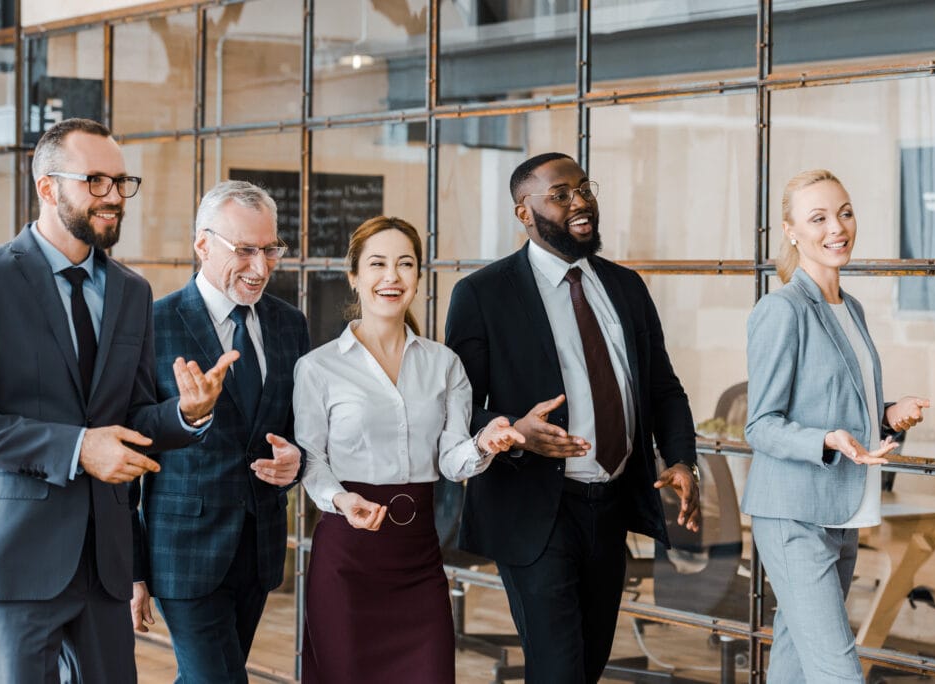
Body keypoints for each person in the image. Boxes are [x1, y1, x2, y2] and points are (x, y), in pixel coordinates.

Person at [0, 117, 234, 683]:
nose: (113, 197)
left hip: (105, 564)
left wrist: (187, 414)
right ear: (47, 187)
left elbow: (132, 417)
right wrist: (77, 449)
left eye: (122, 182)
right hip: (15, 561)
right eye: (95, 181)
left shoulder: (131, 290)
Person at [445, 152, 701, 683]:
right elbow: (459, 406)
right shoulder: (482, 294)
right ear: (524, 212)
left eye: (584, 188)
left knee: (588, 664)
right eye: (560, 195)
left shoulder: (626, 287)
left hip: (610, 508)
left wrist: (681, 459)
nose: (580, 202)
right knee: (558, 670)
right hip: (537, 509)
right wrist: (515, 432)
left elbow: (662, 389)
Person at [293, 216, 524, 683]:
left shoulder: (444, 365)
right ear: (354, 276)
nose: (392, 277)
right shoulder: (317, 368)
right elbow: (310, 460)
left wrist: (485, 443)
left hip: (418, 557)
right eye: (377, 264)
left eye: (405, 264)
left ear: (419, 275)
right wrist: (340, 499)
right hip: (346, 557)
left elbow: (451, 457)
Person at [742, 169, 930, 682]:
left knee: (798, 659)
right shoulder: (781, 309)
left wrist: (890, 413)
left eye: (844, 212)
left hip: (840, 513)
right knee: (838, 671)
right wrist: (825, 440)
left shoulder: (853, 309)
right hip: (794, 516)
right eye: (818, 217)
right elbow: (759, 425)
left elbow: (838, 400)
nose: (837, 228)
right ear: (791, 230)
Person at [129, 181, 310, 683]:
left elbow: (301, 431)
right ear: (202, 244)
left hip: (258, 551)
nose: (261, 267)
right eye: (245, 250)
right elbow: (130, 446)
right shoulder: (151, 324)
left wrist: (297, 461)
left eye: (270, 249)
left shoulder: (290, 325)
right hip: (182, 553)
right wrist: (132, 569)